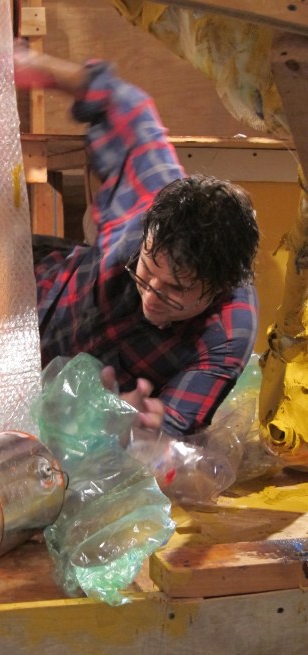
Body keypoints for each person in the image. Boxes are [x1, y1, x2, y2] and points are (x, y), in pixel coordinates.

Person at [14, 45, 259, 439]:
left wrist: (137, 428)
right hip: (37, 293)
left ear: (219, 288)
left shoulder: (227, 334)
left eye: (175, 291)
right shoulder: (153, 203)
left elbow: (169, 434)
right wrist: (36, 66)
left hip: (65, 417)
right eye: (145, 271)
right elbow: (124, 103)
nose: (151, 296)